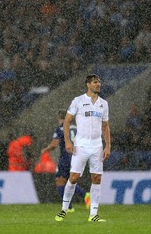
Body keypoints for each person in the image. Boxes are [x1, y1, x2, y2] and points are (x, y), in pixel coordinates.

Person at [55, 74, 111, 222]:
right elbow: (66, 121)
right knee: (73, 178)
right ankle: (64, 209)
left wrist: (107, 146)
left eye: (99, 82)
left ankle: (93, 214)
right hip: (81, 146)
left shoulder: (103, 104)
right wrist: (67, 141)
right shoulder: (78, 101)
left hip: (97, 146)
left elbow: (105, 126)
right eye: (95, 82)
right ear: (88, 84)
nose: (98, 84)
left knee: (96, 178)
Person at [41, 110, 90, 213]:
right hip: (77, 157)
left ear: (58, 117)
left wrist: (45, 149)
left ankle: (69, 207)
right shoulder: (76, 128)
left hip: (66, 158)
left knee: (60, 181)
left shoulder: (60, 128)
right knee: (69, 182)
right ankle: (84, 195)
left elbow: (55, 144)